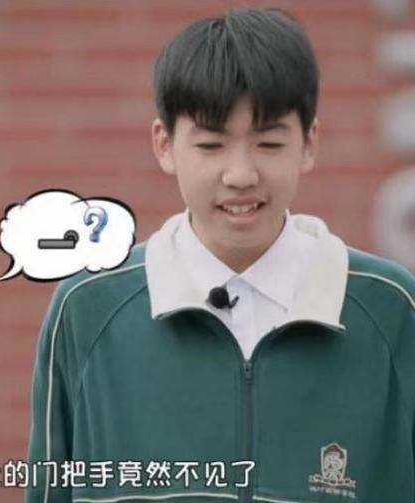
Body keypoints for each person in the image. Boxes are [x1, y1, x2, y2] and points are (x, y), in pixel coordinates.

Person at [26, 7, 415, 502]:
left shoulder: (392, 309)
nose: (240, 174)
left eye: (269, 143)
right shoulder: (87, 309)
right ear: (164, 144)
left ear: (309, 143)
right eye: (211, 145)